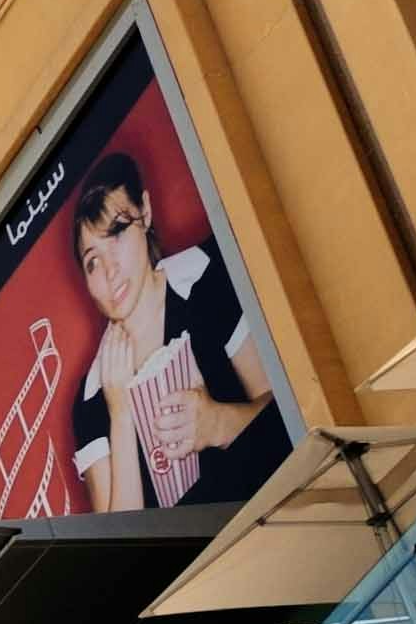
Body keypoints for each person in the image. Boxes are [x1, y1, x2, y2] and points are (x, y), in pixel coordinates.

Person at [65, 148, 283, 512]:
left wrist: (217, 423)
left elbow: (292, 414)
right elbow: (124, 548)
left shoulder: (207, 279)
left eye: (117, 232)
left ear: (145, 213)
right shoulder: (90, 398)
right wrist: (120, 412)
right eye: (92, 262)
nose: (110, 270)